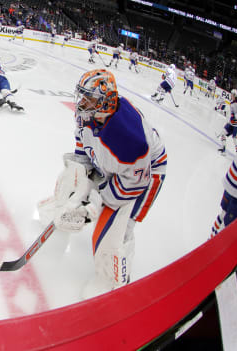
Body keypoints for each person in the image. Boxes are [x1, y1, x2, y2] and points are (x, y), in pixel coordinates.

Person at [47, 69, 166, 298]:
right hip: (117, 164)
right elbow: (82, 142)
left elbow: (133, 183)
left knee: (121, 227)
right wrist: (82, 179)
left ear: (105, 101)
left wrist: (94, 205)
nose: (82, 103)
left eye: (89, 97)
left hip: (145, 174)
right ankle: (60, 208)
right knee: (72, 173)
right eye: (82, 95)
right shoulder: (89, 113)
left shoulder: (130, 137)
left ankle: (116, 277)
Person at [212, 95, 237, 236]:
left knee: (223, 215)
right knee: (225, 218)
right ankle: (215, 239)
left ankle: (213, 237)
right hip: (234, 184)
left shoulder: (236, 105)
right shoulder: (235, 104)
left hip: (232, 181)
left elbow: (235, 120)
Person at [217, 89, 237, 155]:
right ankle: (224, 150)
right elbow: (232, 113)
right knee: (223, 133)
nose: (231, 95)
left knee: (235, 139)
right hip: (231, 123)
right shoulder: (231, 102)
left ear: (235, 95)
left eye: (232, 94)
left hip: (236, 124)